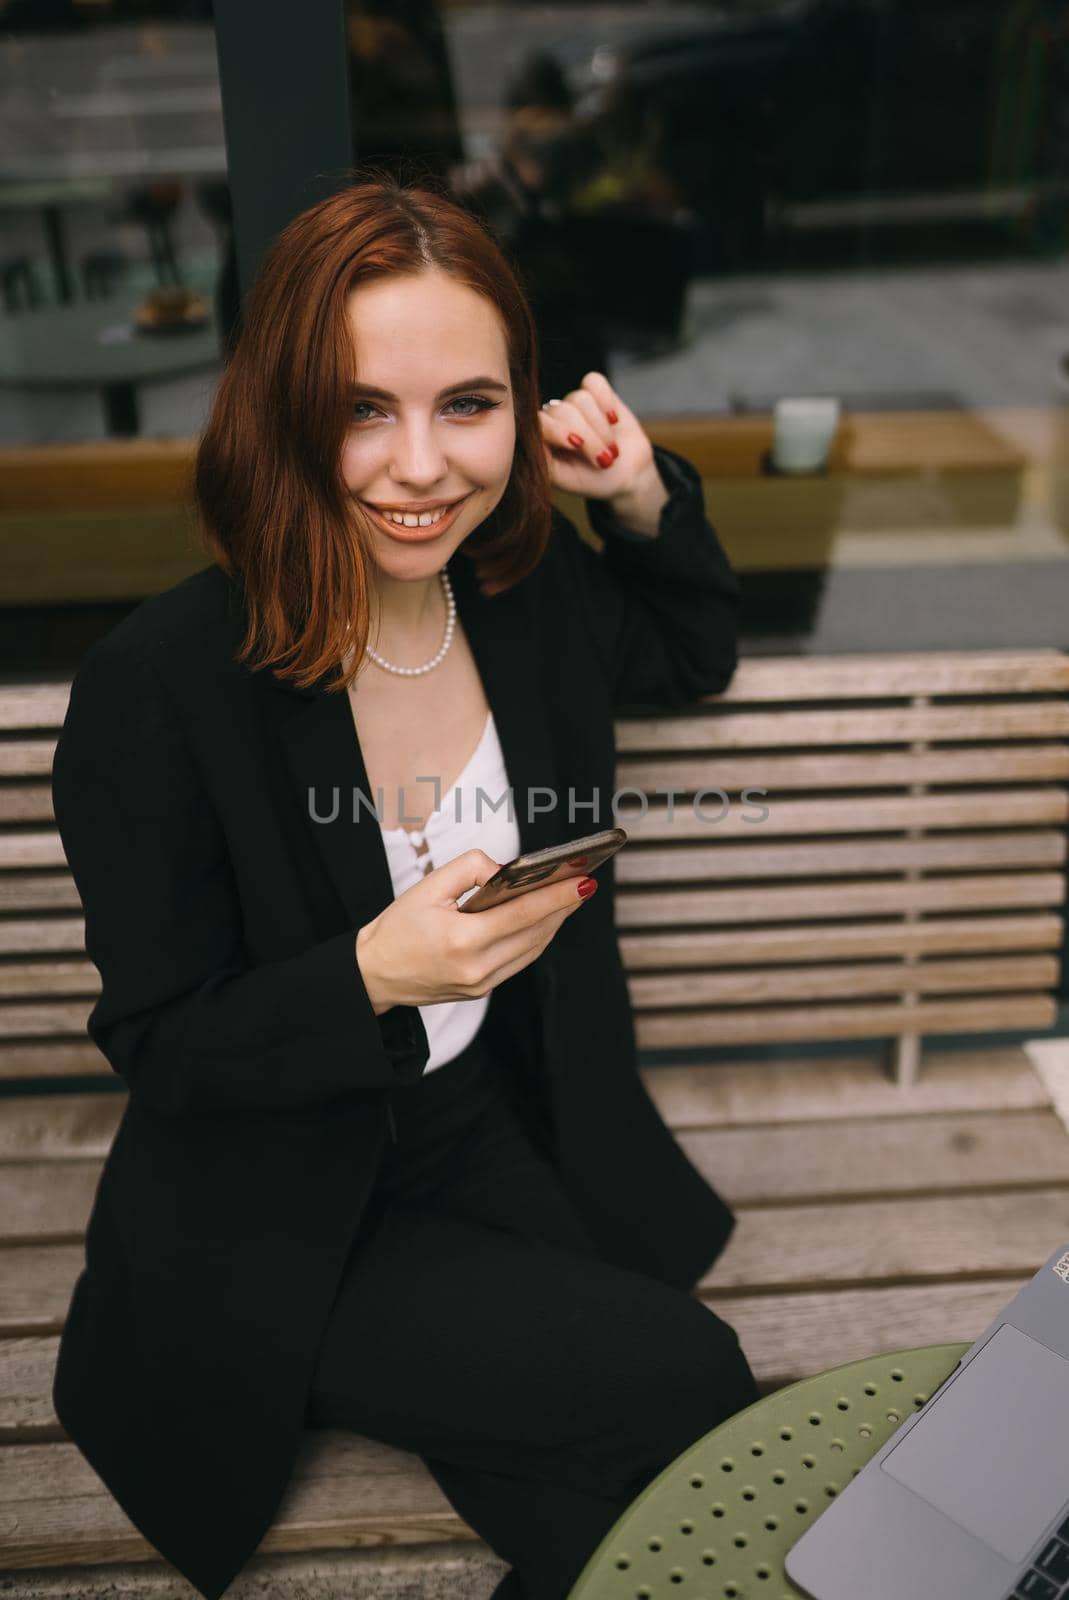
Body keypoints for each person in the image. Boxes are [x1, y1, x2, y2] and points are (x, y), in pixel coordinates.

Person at [49, 174, 759, 1600]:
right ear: (278, 414)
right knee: (689, 1367)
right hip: (277, 1210)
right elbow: (164, 1044)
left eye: (469, 405)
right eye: (363, 408)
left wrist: (630, 490)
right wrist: (371, 978)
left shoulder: (524, 595)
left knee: (605, 1458)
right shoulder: (163, 686)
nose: (421, 465)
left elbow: (688, 655)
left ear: (524, 409)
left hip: (478, 1129)